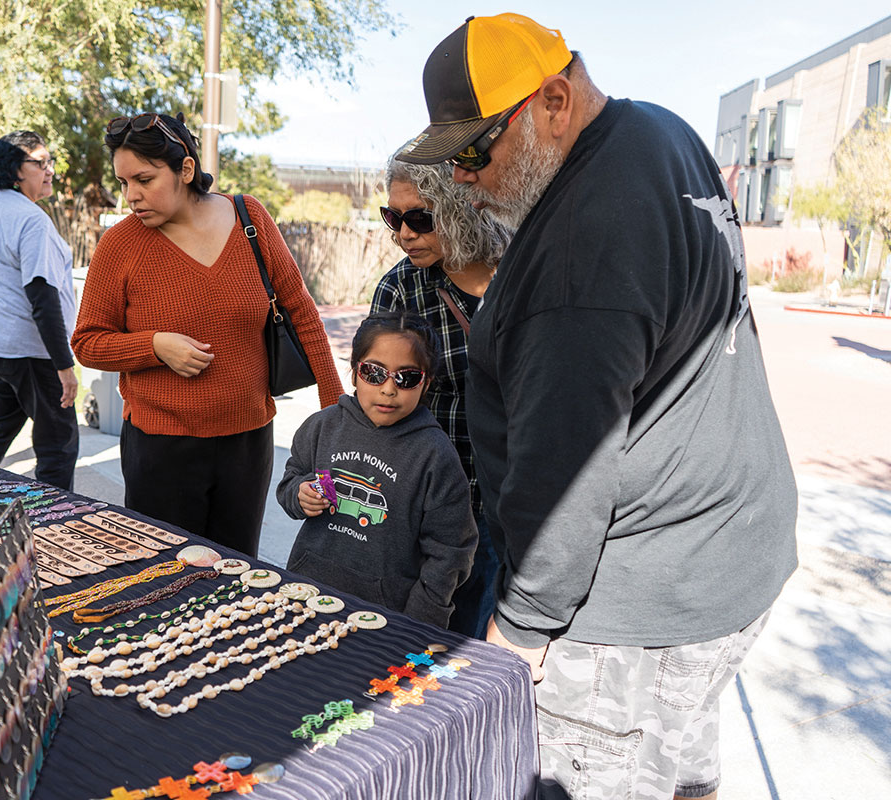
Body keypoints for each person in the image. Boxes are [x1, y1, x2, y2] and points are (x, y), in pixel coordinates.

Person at [397, 13, 798, 800]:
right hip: (732, 554)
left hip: (642, 597)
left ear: (552, 101)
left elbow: (565, 480)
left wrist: (520, 632)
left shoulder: (580, 251)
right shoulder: (658, 130)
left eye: (476, 150)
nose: (465, 178)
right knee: (676, 769)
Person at [71, 112, 343, 557]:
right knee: (163, 577)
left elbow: (301, 312)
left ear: (185, 169)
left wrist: (334, 408)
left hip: (248, 444)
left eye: (144, 179)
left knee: (237, 573)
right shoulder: (119, 245)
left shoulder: (249, 217)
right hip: (161, 448)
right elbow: (87, 342)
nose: (131, 196)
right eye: (123, 183)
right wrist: (155, 346)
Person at [371, 150, 511, 638]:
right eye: (394, 217)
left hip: (509, 497)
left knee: (487, 639)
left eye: (420, 218)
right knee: (419, 637)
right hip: (430, 499)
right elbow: (377, 402)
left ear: (461, 208)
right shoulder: (401, 291)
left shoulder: (520, 271)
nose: (404, 233)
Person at [275, 311, 476, 627]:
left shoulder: (436, 457)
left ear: (426, 383)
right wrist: (299, 495)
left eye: (406, 377)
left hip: (386, 618)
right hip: (305, 593)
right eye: (374, 372)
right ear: (354, 372)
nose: (388, 389)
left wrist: (419, 621)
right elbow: (291, 480)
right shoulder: (321, 427)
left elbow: (450, 552)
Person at [0, 131, 80, 490]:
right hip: (28, 348)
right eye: (40, 163)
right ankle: (54, 515)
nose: (49, 170)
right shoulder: (30, 219)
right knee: (59, 442)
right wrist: (64, 365)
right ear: (15, 170)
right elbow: (42, 296)